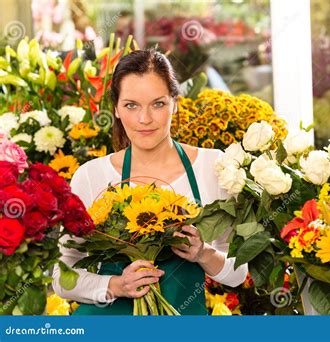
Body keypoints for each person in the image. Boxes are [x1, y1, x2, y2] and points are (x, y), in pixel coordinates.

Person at [52, 49, 248, 315]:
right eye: (131, 105)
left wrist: (203, 253)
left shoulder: (214, 167)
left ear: (175, 103)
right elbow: (62, 276)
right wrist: (117, 285)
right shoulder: (91, 175)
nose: (145, 119)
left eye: (158, 104)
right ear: (117, 110)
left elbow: (238, 273)